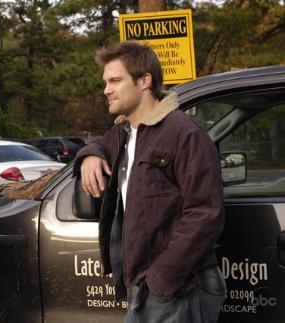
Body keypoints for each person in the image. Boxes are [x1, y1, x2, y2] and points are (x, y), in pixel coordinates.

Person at [74, 41, 226, 322]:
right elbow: (103, 143)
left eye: (115, 80)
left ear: (145, 80)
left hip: (178, 289)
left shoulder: (184, 134)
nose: (106, 89)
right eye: (106, 82)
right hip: (144, 288)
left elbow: (206, 214)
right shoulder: (126, 133)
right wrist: (90, 155)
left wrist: (161, 279)